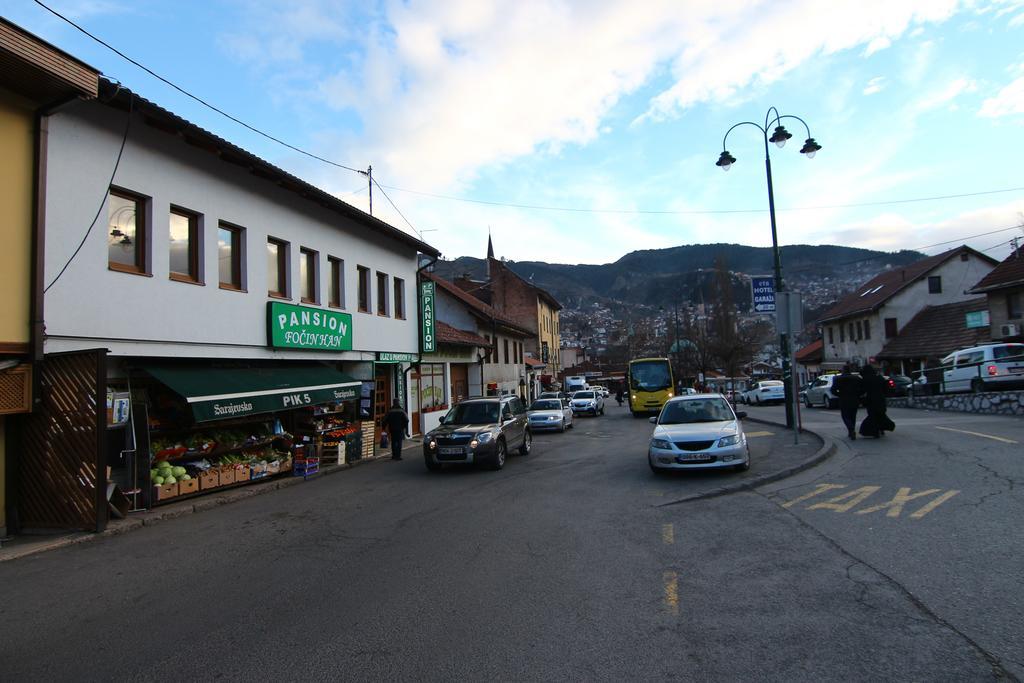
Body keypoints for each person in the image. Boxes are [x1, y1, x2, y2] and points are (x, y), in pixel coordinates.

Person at [859, 365, 894, 438]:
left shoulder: (866, 379)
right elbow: (886, 389)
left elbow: (862, 390)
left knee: (873, 416)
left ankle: (875, 431)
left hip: (871, 400)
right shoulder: (880, 378)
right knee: (880, 414)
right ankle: (881, 428)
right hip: (880, 399)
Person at [832, 364, 865, 440]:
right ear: (850, 370)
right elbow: (863, 389)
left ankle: (851, 429)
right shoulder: (856, 378)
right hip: (855, 399)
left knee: (845, 416)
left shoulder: (838, 379)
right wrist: (858, 394)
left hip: (843, 399)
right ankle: (851, 430)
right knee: (853, 416)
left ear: (843, 370)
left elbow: (833, 390)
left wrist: (839, 394)